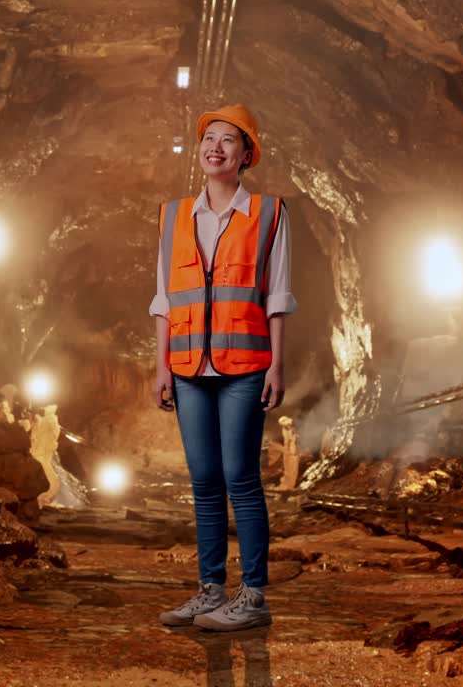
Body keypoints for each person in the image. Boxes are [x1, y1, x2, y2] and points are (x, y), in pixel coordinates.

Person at [149, 103, 297, 632]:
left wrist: (277, 365)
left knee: (241, 478)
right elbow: (164, 298)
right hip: (188, 366)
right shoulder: (173, 216)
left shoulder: (269, 213)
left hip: (245, 366)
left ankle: (252, 596)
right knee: (205, 481)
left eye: (227, 140)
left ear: (246, 154)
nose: (215, 147)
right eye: (208, 138)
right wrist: (162, 366)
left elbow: (277, 295)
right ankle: (210, 591)